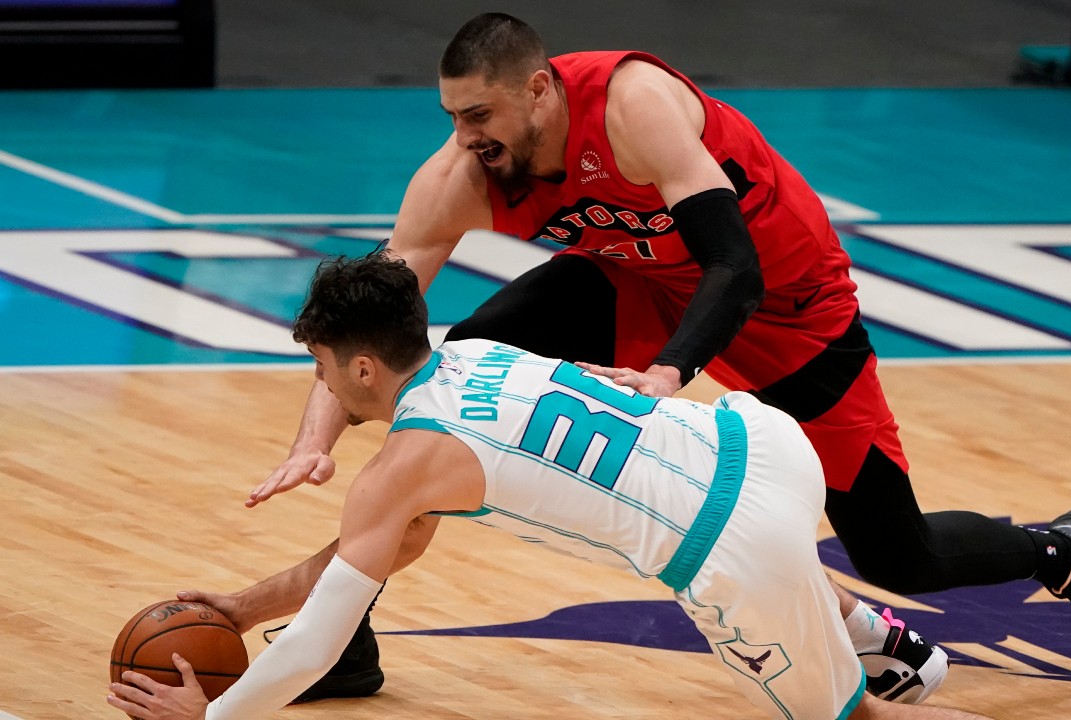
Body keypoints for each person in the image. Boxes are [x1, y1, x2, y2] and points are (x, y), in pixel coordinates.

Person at [250, 12, 1071, 701]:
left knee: (903, 553)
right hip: (634, 283)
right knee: (449, 385)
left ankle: (1068, 550)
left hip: (783, 302)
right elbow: (367, 321)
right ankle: (348, 638)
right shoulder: (464, 173)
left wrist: (668, 375)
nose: (466, 139)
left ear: (541, 90)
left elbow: (732, 265)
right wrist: (315, 437)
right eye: (453, 118)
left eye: (480, 114)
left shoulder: (632, 105)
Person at [106, 253, 994, 720]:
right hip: (760, 441)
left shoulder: (400, 468)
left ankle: (868, 670)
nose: (325, 389)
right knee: (722, 511)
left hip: (734, 548)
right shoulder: (480, 354)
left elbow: (317, 649)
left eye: (324, 369)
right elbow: (393, 546)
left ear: (366, 367)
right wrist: (239, 606)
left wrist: (215, 714)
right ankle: (871, 632)